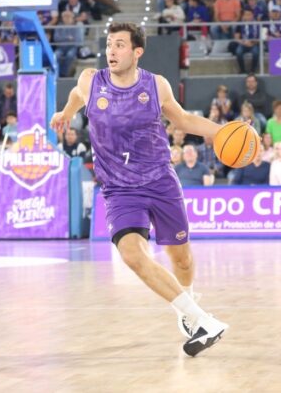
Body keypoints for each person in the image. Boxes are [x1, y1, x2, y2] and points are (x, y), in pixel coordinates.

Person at [50, 23, 228, 357]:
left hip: (159, 180)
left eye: (119, 45)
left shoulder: (155, 85)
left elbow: (185, 121)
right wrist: (65, 113)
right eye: (109, 45)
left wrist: (224, 131)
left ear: (137, 52)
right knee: (132, 254)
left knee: (183, 259)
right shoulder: (91, 80)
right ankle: (199, 318)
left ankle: (189, 309)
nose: (111, 51)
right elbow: (76, 95)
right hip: (119, 188)